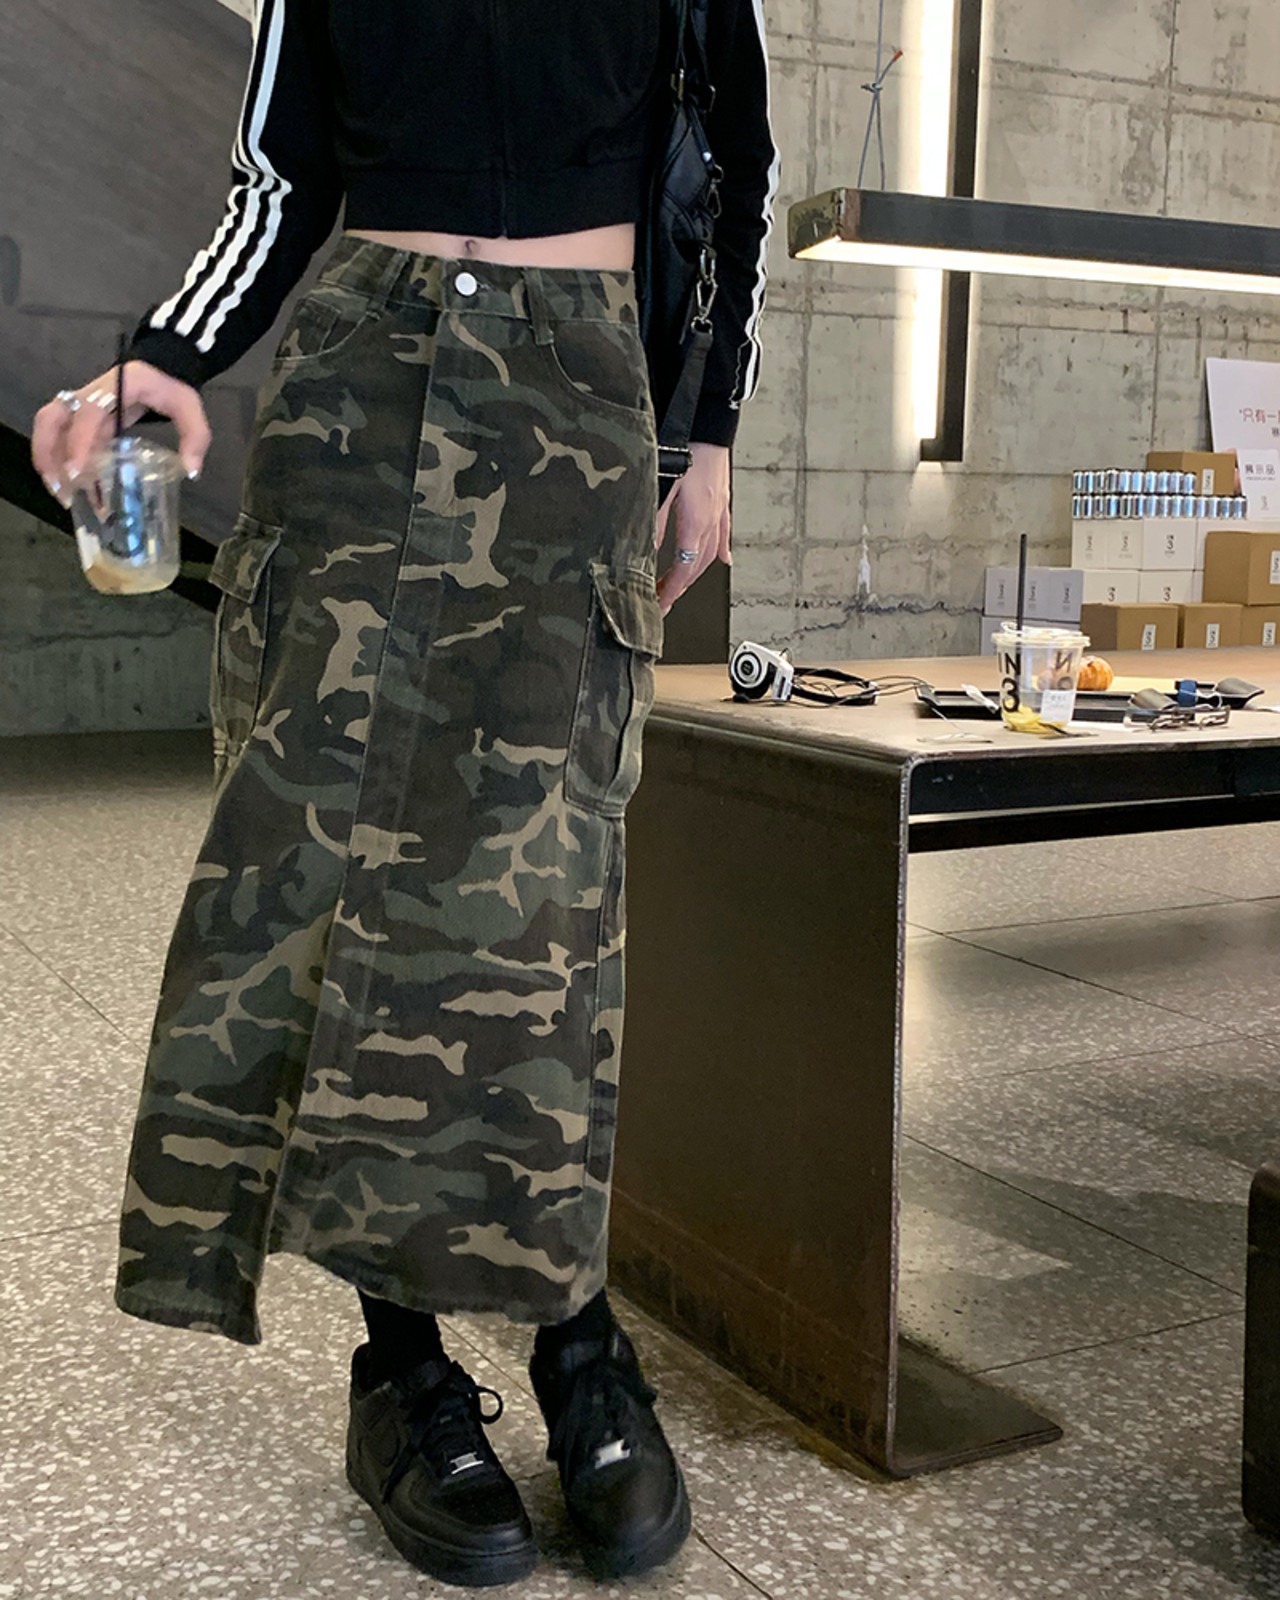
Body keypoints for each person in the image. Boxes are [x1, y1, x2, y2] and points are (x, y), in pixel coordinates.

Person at [31, 0, 778, 1587]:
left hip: (580, 396)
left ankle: (577, 1341)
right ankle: (406, 1373)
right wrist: (166, 356)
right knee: (336, 878)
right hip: (359, 389)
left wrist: (706, 430)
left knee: (547, 908)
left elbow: (737, 165)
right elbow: (275, 177)